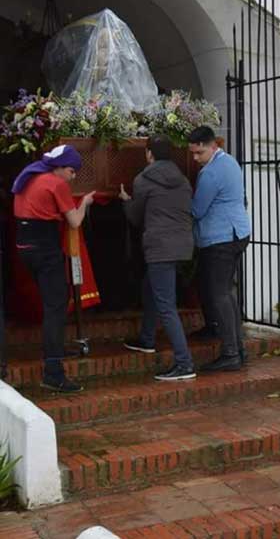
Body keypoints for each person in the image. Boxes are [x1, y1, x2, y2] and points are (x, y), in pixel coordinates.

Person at [12, 145, 95, 393]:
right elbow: (75, 221)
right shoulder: (55, 183)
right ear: (59, 167)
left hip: (24, 247)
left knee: (53, 303)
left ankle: (55, 350)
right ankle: (53, 372)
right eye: (71, 171)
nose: (73, 176)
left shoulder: (29, 175)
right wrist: (85, 202)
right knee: (56, 307)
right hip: (46, 250)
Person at [119, 134, 196, 381]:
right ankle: (147, 338)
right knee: (150, 288)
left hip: (160, 247)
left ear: (149, 154)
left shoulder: (143, 180)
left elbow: (135, 217)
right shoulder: (183, 180)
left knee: (166, 306)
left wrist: (125, 200)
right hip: (182, 245)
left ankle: (184, 364)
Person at [188, 126, 251, 371]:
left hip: (220, 237)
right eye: (192, 153)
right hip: (238, 232)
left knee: (220, 294)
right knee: (226, 292)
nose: (195, 159)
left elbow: (197, 209)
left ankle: (231, 353)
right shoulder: (231, 162)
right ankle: (239, 348)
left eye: (198, 153)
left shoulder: (210, 173)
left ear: (212, 145)